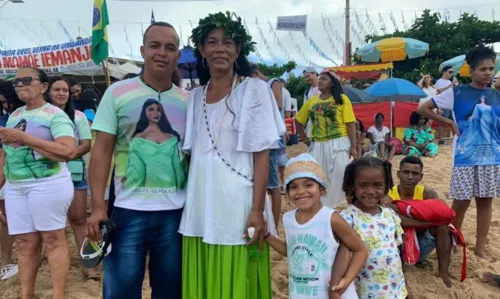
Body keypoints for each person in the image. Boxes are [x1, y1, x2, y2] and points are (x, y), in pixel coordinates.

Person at [179, 12, 285, 299]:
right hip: (202, 205)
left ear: (238, 49)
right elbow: (192, 159)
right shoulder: (195, 97)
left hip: (239, 204)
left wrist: (256, 210)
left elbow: (262, 155)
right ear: (201, 50)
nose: (220, 48)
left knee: (239, 277)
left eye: (227, 42)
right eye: (211, 42)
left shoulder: (254, 89)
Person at [86, 22, 188, 299]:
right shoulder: (117, 93)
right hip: (127, 212)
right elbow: (101, 152)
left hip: (176, 214)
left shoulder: (188, 101)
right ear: (143, 50)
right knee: (120, 291)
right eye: (155, 46)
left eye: (170, 47)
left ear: (178, 55)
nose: (162, 53)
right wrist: (97, 208)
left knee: (171, 291)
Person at [418, 45, 500, 260]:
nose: (488, 73)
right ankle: (452, 243)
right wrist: (448, 122)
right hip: (464, 157)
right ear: (470, 70)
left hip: (491, 157)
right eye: (483, 69)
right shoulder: (457, 92)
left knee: (485, 201)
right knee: (461, 201)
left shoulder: (495, 94)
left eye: (491, 68)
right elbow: (423, 109)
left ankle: (480, 248)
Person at [0, 67, 77, 299]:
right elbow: (5, 158)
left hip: (48, 184)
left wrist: (24, 138)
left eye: (26, 80)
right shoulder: (14, 116)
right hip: (16, 186)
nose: (20, 85)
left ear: (43, 87)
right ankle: (26, 295)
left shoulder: (55, 115)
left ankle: (58, 295)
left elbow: (68, 151)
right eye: (16, 82)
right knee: (24, 242)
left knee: (53, 239)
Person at [264, 153, 367, 299]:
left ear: (322, 189)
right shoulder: (288, 219)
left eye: (308, 185)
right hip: (300, 294)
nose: (300, 191)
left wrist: (345, 280)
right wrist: (268, 236)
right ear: (287, 192)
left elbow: (360, 249)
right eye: (293, 187)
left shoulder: (331, 218)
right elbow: (291, 251)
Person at [47, 76, 96, 279]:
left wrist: (65, 155)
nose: (61, 93)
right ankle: (53, 264)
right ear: (47, 92)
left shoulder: (78, 116)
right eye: (56, 89)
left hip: (74, 171)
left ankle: (89, 263)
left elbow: (86, 143)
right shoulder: (40, 116)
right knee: (50, 224)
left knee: (79, 219)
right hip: (46, 174)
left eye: (65, 90)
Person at [340, 157, 408, 299]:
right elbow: (341, 258)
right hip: (365, 290)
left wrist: (405, 285)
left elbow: (396, 253)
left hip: (394, 288)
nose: (370, 191)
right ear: (353, 185)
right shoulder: (347, 218)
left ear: (386, 185)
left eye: (377, 185)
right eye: (363, 185)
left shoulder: (390, 215)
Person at [386, 156, 453, 287]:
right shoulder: (388, 194)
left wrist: (405, 217)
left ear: (421, 176)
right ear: (399, 174)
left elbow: (443, 213)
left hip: (421, 246)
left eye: (415, 173)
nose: (410, 177)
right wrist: (427, 222)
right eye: (406, 172)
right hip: (394, 250)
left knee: (444, 227)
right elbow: (398, 221)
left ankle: (443, 274)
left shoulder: (427, 193)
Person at [295, 70, 357, 208]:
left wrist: (353, 146)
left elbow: (350, 124)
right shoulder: (312, 101)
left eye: (324, 79)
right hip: (318, 144)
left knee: (341, 173)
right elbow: (298, 120)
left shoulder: (342, 99)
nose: (320, 81)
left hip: (339, 142)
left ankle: (339, 205)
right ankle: (322, 206)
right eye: (320, 78)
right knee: (319, 176)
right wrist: (305, 138)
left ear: (332, 84)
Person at [250, 65, 284, 227]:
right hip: (261, 140)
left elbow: (277, 105)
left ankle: (275, 225)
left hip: (268, 141)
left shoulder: (271, 83)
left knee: (273, 184)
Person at [0, 81, 20, 281]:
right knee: (5, 218)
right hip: (5, 172)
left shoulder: (13, 118)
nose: (4, 104)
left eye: (6, 100)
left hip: (9, 171)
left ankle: (6, 262)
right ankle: (5, 262)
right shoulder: (7, 118)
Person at [435, 66, 458, 144]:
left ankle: (456, 137)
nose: (451, 74)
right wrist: (452, 83)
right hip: (443, 104)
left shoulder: (448, 82)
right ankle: (441, 139)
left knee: (453, 122)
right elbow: (441, 92)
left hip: (451, 104)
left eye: (452, 72)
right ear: (444, 72)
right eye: (450, 72)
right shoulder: (439, 81)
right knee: (442, 122)